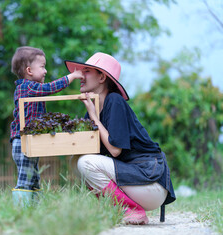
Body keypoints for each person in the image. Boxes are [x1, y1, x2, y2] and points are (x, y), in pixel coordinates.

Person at [64, 52, 176, 225]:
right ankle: (116, 209)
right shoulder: (94, 107)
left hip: (150, 182)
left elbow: (115, 151)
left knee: (85, 163)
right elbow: (88, 149)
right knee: (76, 161)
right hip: (133, 180)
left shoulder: (114, 101)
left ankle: (131, 210)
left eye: (86, 71)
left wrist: (94, 118)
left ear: (101, 77)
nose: (80, 75)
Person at [10, 46, 84, 206]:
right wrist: (72, 76)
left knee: (34, 177)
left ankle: (34, 208)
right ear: (29, 70)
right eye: (42, 67)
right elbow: (50, 88)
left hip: (27, 141)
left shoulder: (31, 88)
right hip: (22, 141)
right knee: (25, 178)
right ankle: (20, 210)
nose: (45, 71)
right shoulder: (27, 87)